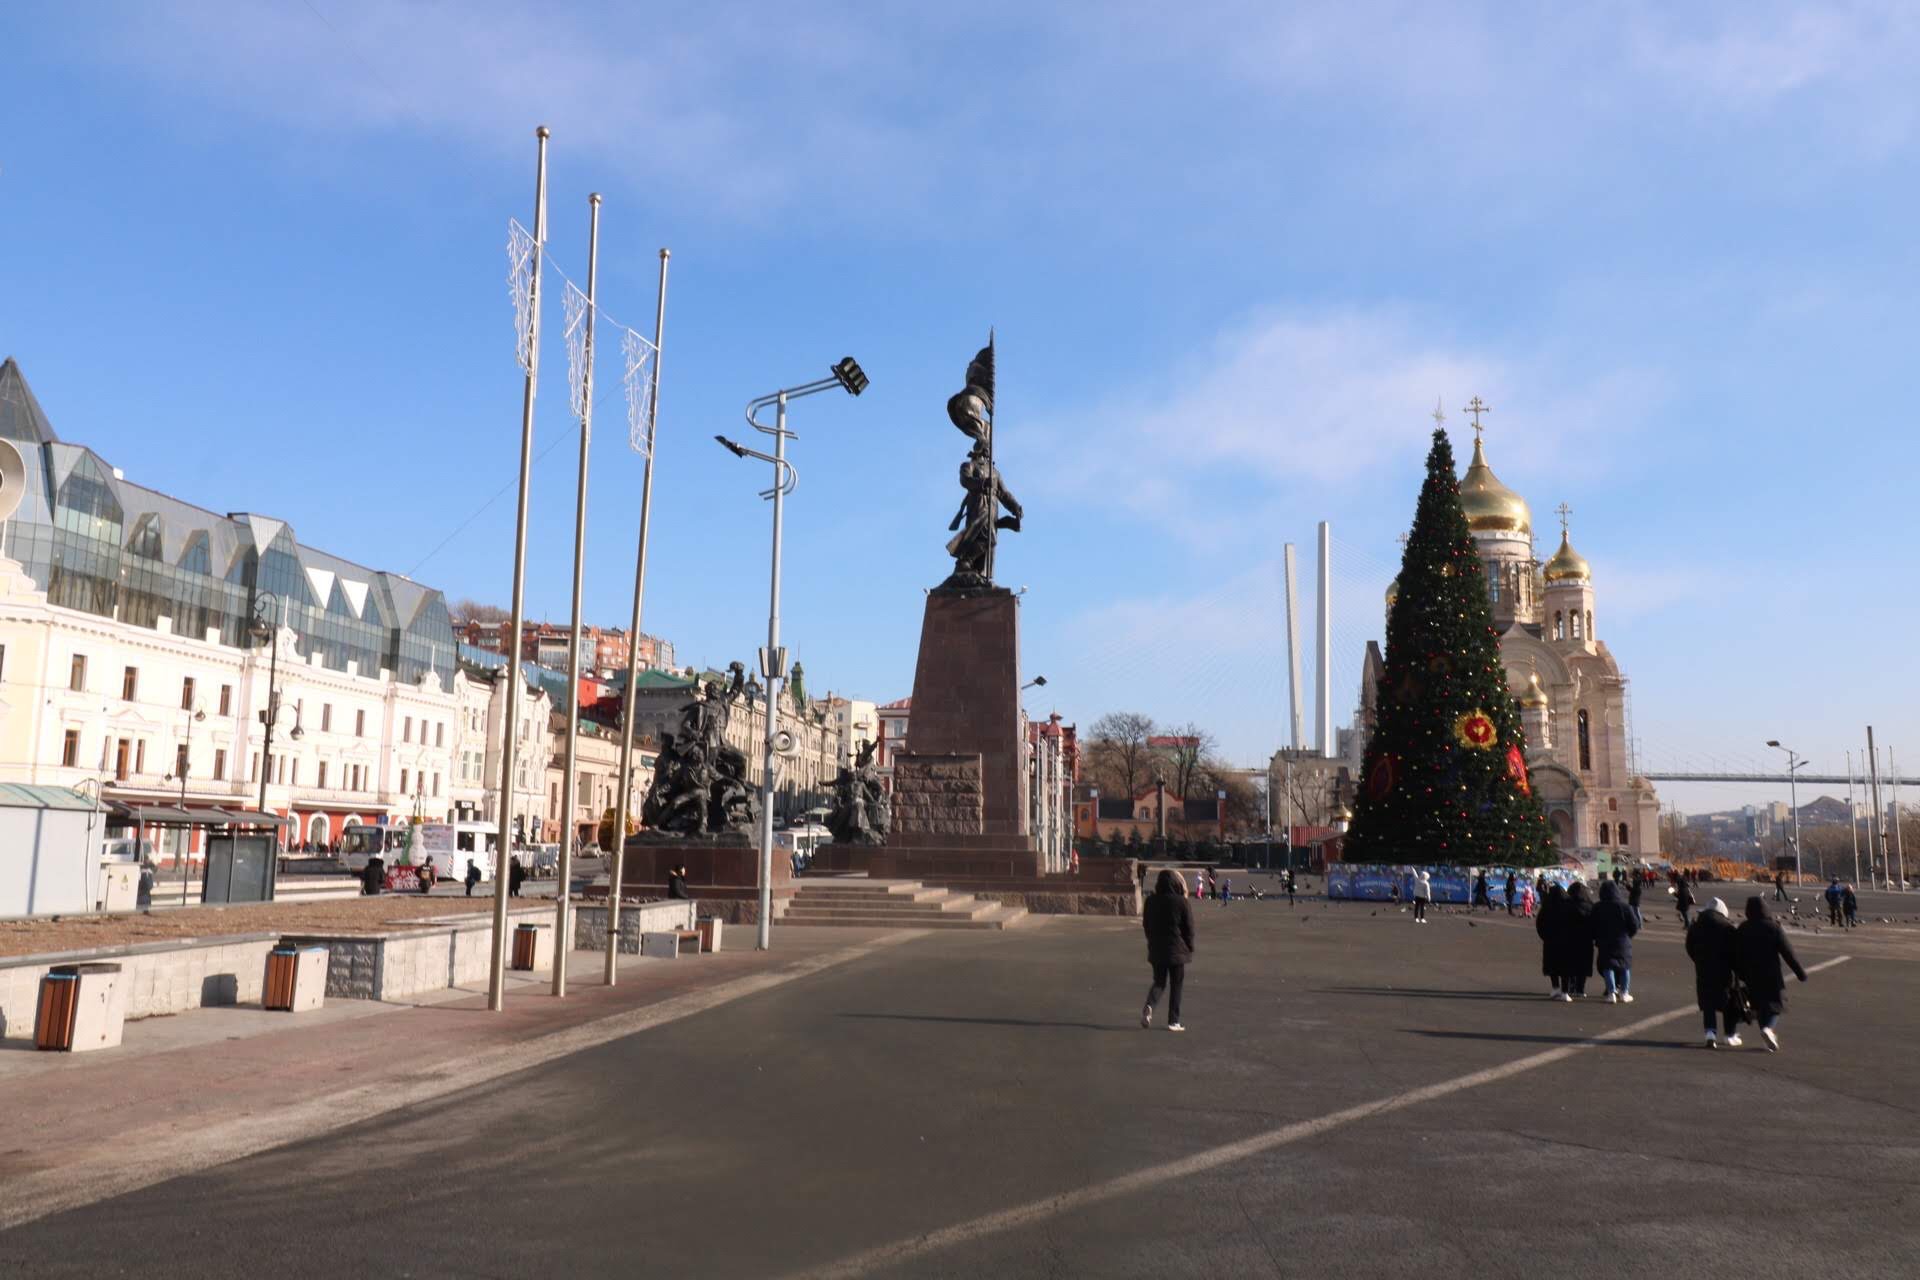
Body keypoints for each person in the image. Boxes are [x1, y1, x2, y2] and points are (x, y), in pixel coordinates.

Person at [1735, 896, 1808, 1052]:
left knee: (1759, 1005)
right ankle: (1768, 1029)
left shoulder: (1743, 928)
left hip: (1750, 974)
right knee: (1776, 1005)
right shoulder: (1773, 927)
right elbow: (1788, 952)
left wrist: (1738, 973)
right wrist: (1800, 973)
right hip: (1771, 972)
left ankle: (1766, 1033)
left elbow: (1736, 953)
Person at [1140, 868, 1195, 1032]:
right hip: (1177, 950)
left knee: (1159, 982)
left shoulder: (1151, 901)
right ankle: (1173, 1021)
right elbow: (1188, 928)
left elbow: (1146, 924)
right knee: (1176, 985)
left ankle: (1150, 1005)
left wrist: (1151, 941)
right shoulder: (1181, 902)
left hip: (1157, 948)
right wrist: (1190, 946)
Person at [1686, 897, 1742, 1049]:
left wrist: (1698, 960)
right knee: (1728, 1002)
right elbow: (1736, 951)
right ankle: (1730, 1035)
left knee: (1708, 1002)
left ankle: (1710, 1033)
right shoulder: (1728, 927)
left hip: (1703, 969)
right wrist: (1736, 967)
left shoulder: (1696, 926)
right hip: (1724, 970)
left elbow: (1689, 946)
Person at [1590, 880, 1639, 1003]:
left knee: (1607, 967)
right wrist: (1628, 936)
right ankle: (1624, 992)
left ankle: (1611, 992)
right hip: (1622, 941)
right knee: (1625, 967)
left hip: (1604, 941)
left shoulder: (1597, 907)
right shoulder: (1625, 907)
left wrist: (1596, 937)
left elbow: (1592, 925)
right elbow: (1634, 925)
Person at [1554, 883, 1596, 1000]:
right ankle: (1580, 989)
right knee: (1584, 965)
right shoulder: (1591, 906)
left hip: (1569, 939)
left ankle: (1569, 988)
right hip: (1586, 940)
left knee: (1569, 964)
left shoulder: (1566, 905)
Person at [1535, 883, 1566, 997]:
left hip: (1550, 941)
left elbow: (1539, 924)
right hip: (1565, 941)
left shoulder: (1546, 907)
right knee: (1565, 965)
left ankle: (1555, 987)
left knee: (1552, 965)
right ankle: (1565, 990)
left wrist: (1545, 936)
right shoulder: (1567, 906)